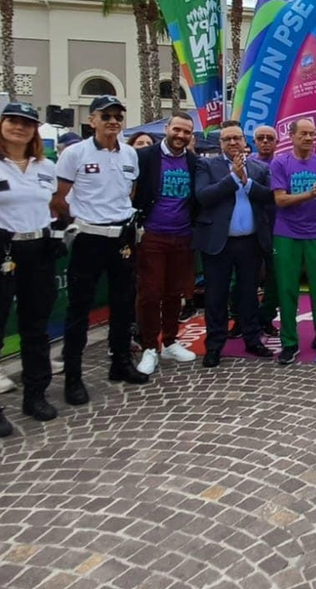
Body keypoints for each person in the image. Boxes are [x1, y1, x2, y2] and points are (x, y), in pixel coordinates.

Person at [0, 102, 60, 438]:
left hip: (37, 246)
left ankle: (35, 394)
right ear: (0, 124)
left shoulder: (45, 166)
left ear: (35, 129)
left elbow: (53, 205)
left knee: (36, 327)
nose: (20, 127)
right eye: (13, 121)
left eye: (27, 123)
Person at [52, 95, 149, 406]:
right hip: (88, 238)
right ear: (91, 120)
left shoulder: (130, 155)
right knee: (79, 309)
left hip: (121, 237)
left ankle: (120, 363)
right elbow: (59, 198)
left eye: (118, 116)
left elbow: (129, 193)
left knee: (123, 305)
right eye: (105, 116)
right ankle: (73, 376)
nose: (112, 122)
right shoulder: (74, 154)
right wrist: (78, 222)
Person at [193, 121, 275, 366]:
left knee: (248, 294)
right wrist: (232, 178)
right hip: (218, 242)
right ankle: (215, 345)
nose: (232, 142)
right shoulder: (206, 165)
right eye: (227, 139)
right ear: (220, 143)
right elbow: (203, 196)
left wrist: (247, 182)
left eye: (236, 138)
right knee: (216, 296)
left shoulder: (259, 168)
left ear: (244, 141)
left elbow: (269, 197)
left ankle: (252, 338)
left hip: (250, 242)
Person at [271, 117, 316, 365]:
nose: (310, 138)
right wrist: (309, 193)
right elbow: (280, 200)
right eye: (304, 134)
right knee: (287, 289)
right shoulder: (281, 162)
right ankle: (289, 344)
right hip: (287, 234)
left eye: (313, 134)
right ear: (291, 136)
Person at [132, 113, 199, 374]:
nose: (181, 136)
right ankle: (150, 347)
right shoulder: (145, 157)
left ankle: (170, 340)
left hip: (182, 235)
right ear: (167, 129)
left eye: (187, 132)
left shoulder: (193, 162)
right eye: (177, 130)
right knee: (149, 293)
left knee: (174, 293)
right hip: (152, 234)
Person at [251, 123, 279, 334]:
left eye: (270, 138)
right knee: (247, 277)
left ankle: (266, 317)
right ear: (254, 142)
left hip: (277, 227)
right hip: (251, 227)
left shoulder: (282, 163)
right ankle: (243, 318)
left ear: (276, 142)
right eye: (261, 138)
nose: (265, 142)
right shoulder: (246, 163)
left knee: (274, 277)